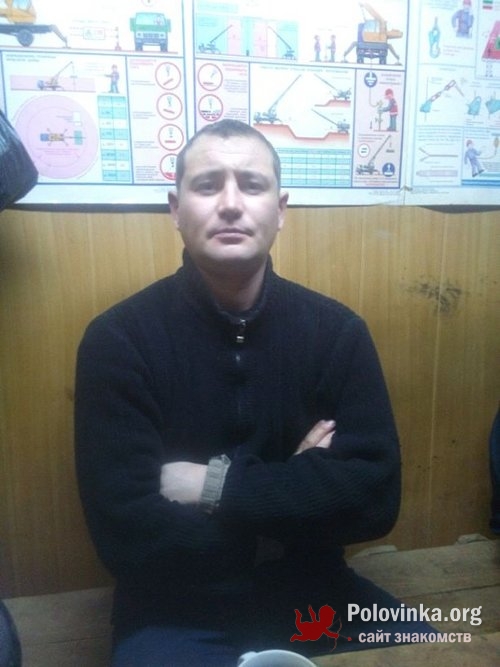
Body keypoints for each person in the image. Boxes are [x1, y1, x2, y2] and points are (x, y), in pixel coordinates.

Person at [75, 119, 434, 666]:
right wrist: (295, 499)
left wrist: (213, 486)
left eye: (252, 184)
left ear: (281, 209)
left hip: (316, 592)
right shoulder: (118, 340)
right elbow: (125, 537)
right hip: (172, 609)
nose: (230, 203)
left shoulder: (336, 333)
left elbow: (374, 502)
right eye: (207, 185)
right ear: (176, 209)